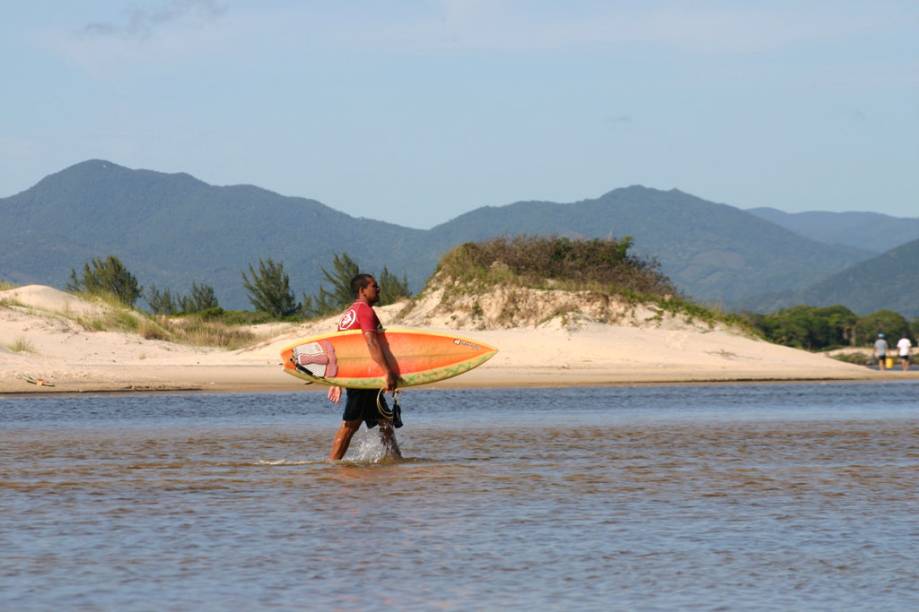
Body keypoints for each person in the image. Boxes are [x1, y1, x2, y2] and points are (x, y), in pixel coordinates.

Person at [327, 273, 401, 461]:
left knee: (385, 422)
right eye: (374, 286)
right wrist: (387, 372)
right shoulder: (365, 311)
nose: (378, 289)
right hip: (362, 377)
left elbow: (341, 347)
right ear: (362, 291)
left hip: (361, 376)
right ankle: (331, 465)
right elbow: (372, 343)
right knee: (350, 425)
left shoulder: (350, 313)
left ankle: (395, 460)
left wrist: (337, 378)